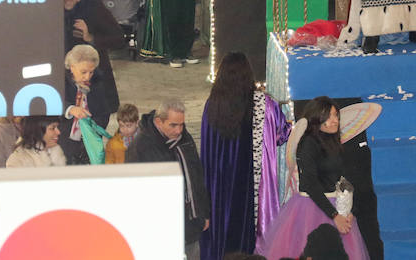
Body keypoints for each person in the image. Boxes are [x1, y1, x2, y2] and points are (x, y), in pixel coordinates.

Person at [201, 52, 291, 260]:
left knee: (223, 231)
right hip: (251, 187)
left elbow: (207, 149)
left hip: (220, 187)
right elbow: (282, 134)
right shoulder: (264, 105)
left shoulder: (212, 106)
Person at [258, 97, 370, 260]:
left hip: (336, 208)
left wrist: (349, 211)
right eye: (329, 116)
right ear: (317, 119)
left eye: (336, 115)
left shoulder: (334, 142)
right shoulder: (308, 143)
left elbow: (341, 178)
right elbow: (310, 183)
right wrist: (334, 215)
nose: (335, 120)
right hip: (312, 207)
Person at [127, 99, 210, 257]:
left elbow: (197, 176)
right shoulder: (140, 147)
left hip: (190, 223)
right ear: (159, 121)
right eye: (173, 125)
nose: (179, 130)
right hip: (160, 227)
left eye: (182, 125)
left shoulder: (185, 139)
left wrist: (204, 212)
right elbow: (133, 190)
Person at [60, 44, 112, 164]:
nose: (87, 77)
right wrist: (71, 109)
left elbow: (104, 114)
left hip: (87, 145)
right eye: (83, 72)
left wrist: (91, 128)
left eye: (91, 72)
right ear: (72, 67)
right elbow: (51, 103)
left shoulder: (98, 84)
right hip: (62, 141)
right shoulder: (60, 81)